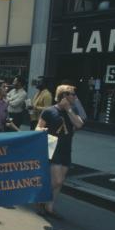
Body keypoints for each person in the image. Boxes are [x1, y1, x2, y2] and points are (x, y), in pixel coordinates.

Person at [36, 84, 84, 219]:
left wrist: (69, 109)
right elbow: (38, 127)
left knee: (60, 181)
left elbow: (79, 124)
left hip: (66, 148)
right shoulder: (49, 111)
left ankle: (50, 207)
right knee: (57, 180)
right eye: (73, 94)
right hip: (53, 148)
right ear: (64, 96)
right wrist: (42, 131)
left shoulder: (72, 110)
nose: (75, 97)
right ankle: (41, 198)